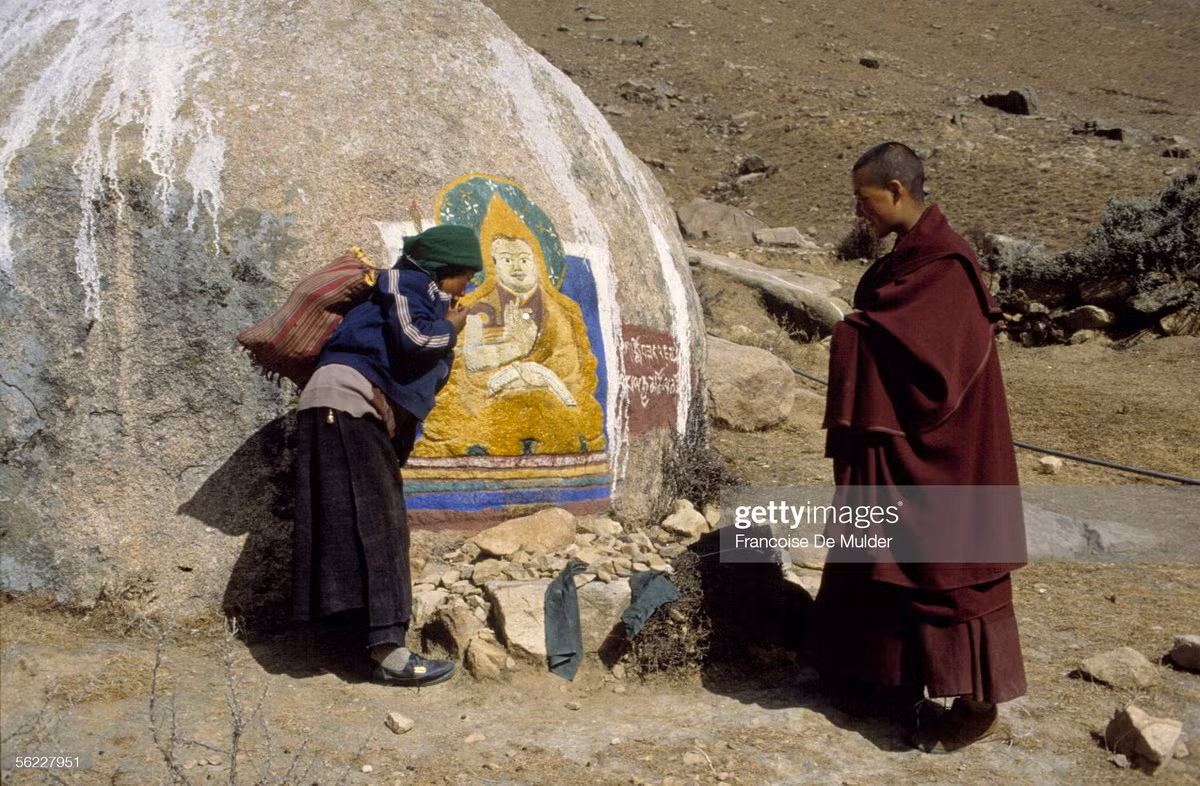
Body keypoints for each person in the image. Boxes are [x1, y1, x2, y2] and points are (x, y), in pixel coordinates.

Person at [815, 142, 1027, 752]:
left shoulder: (947, 264)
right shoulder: (902, 261)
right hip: (895, 441)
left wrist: (853, 332)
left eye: (864, 198)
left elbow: (935, 363)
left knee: (944, 563)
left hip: (945, 447)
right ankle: (888, 678)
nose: (860, 211)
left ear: (898, 190)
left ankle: (975, 702)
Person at [290, 224, 482, 686]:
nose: (468, 288)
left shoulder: (416, 293)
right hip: (347, 406)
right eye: (466, 277)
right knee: (381, 527)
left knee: (340, 525)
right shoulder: (405, 282)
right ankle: (391, 656)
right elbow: (415, 341)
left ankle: (341, 643)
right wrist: (450, 329)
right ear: (443, 269)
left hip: (339, 409)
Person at [413, 195, 606, 458]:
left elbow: (570, 366)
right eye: (506, 259)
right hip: (489, 393)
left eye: (525, 259)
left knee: (557, 410)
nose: (517, 266)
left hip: (548, 393)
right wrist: (514, 351)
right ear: (491, 266)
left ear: (538, 263)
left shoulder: (560, 312)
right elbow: (468, 362)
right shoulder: (477, 309)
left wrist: (540, 374)